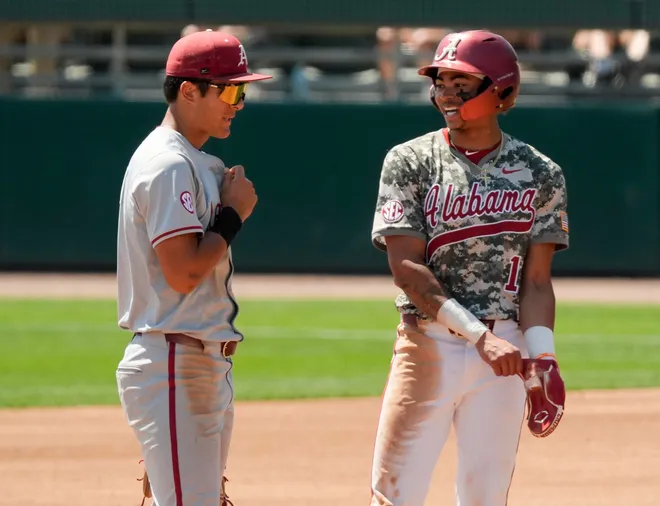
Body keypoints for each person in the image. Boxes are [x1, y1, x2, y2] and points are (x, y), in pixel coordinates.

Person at [368, 29, 569, 506]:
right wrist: (480, 336)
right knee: (393, 494)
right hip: (429, 342)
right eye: (441, 83)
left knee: (486, 496)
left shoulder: (541, 172)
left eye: (463, 85)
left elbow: (538, 281)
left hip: (507, 353)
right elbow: (406, 268)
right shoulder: (410, 161)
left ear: (503, 91)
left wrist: (544, 358)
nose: (446, 95)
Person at [115, 29, 271, 506]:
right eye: (228, 89)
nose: (237, 102)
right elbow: (182, 272)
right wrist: (232, 214)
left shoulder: (196, 162)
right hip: (173, 363)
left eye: (241, 90)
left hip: (197, 363)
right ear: (188, 90)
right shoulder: (167, 164)